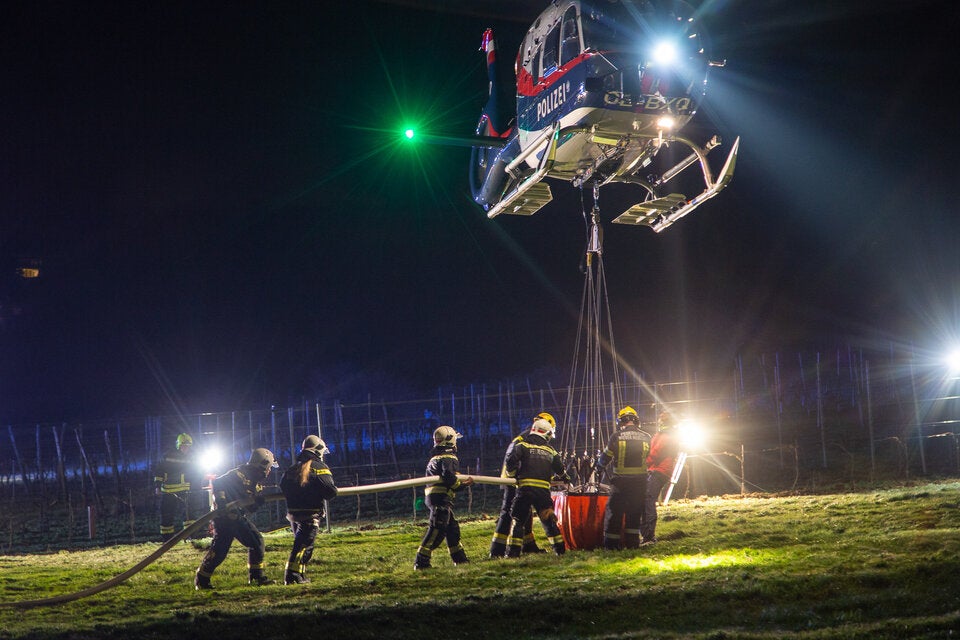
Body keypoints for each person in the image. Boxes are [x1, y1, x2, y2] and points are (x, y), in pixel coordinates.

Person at [195, 448, 279, 589]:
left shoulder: (254, 481)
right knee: (245, 545)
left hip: (236, 517)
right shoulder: (238, 474)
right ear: (262, 465)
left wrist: (256, 503)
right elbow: (218, 483)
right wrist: (222, 503)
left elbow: (248, 505)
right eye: (269, 467)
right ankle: (202, 579)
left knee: (252, 543)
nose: (269, 471)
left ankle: (203, 579)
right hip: (225, 518)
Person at [503, 412, 568, 557]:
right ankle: (560, 550)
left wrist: (512, 474)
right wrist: (565, 477)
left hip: (525, 489)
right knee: (548, 518)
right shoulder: (550, 450)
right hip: (543, 492)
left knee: (518, 520)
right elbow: (560, 468)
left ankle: (512, 553)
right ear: (546, 434)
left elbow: (510, 460)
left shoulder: (522, 445)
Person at [279, 435, 338, 585]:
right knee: (304, 547)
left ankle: (300, 575)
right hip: (310, 514)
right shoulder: (319, 467)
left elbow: (283, 486)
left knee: (300, 545)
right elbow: (330, 491)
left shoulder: (293, 468)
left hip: (293, 514)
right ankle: (292, 576)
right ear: (318, 451)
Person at [413, 425, 474, 570]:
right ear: (451, 440)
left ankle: (460, 559)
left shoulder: (435, 458)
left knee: (452, 529)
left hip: (436, 498)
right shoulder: (449, 457)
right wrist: (462, 485)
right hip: (441, 500)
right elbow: (448, 476)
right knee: (436, 530)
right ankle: (421, 562)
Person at [596, 406, 651, 550]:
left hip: (620, 482)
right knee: (634, 513)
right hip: (640, 483)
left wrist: (599, 467)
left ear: (621, 421)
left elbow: (605, 458)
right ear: (636, 420)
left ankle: (611, 546)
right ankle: (632, 544)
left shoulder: (616, 436)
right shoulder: (647, 437)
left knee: (615, 513)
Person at [489, 427, 545, 558]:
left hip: (516, 480)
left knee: (525, 512)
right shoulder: (526, 440)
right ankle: (497, 550)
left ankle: (529, 545)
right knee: (510, 513)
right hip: (514, 481)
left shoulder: (524, 438)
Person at [153, 432, 205, 542]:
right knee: (167, 514)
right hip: (168, 491)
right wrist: (157, 487)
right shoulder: (168, 456)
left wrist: (198, 484)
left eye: (188, 446)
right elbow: (159, 472)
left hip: (185, 490)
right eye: (184, 446)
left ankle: (191, 536)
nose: (186, 448)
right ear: (178, 445)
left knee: (188, 514)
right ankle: (167, 539)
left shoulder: (193, 457)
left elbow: (197, 473)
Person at [642, 412, 681, 545]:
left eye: (663, 420)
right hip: (658, 470)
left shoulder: (666, 437)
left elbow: (654, 453)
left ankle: (649, 536)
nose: (660, 422)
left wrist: (641, 464)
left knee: (648, 499)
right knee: (647, 499)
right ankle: (646, 535)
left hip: (659, 471)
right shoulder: (664, 435)